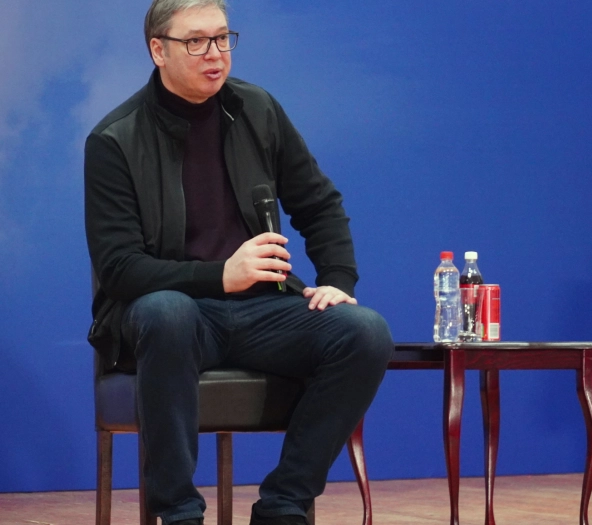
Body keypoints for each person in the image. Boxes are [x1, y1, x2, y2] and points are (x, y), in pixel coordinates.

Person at [83, 1, 394, 524]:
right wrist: (220, 275)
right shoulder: (115, 139)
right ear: (158, 50)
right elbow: (119, 269)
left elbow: (319, 204)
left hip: (264, 309)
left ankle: (284, 504)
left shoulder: (257, 109)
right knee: (166, 312)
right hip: (176, 314)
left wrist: (338, 279)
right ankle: (179, 512)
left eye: (223, 38)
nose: (215, 54)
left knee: (364, 332)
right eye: (196, 41)